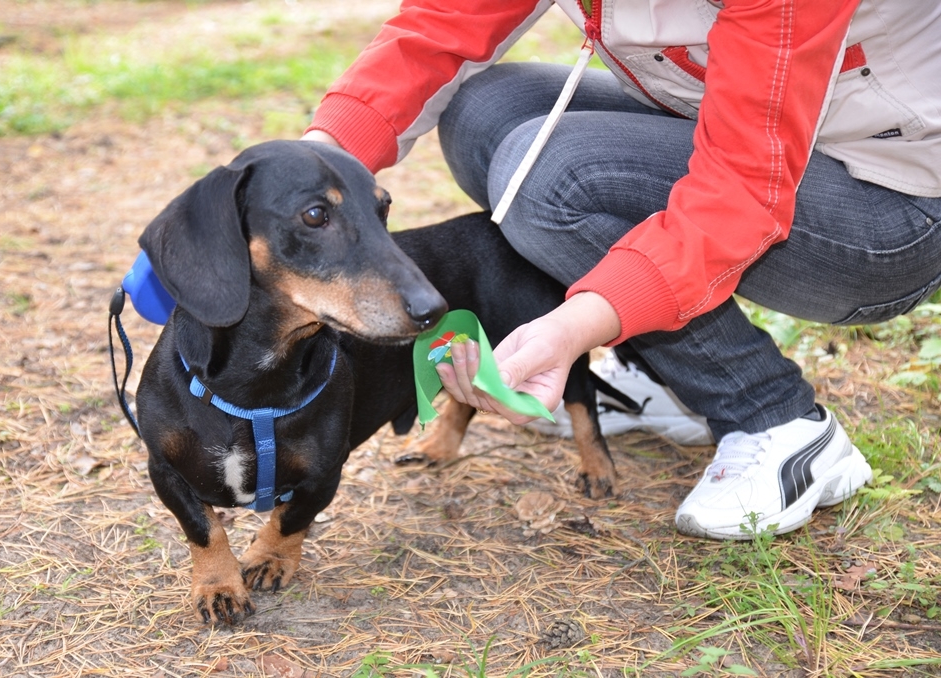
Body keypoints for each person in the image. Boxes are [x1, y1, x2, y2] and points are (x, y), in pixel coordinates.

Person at [300, 0, 941, 540]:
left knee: (553, 177)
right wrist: (305, 167)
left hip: (895, 198)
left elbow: (739, 196)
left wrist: (574, 328)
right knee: (484, 114)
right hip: (750, 134)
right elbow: (442, 27)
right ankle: (671, 371)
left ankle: (771, 417)